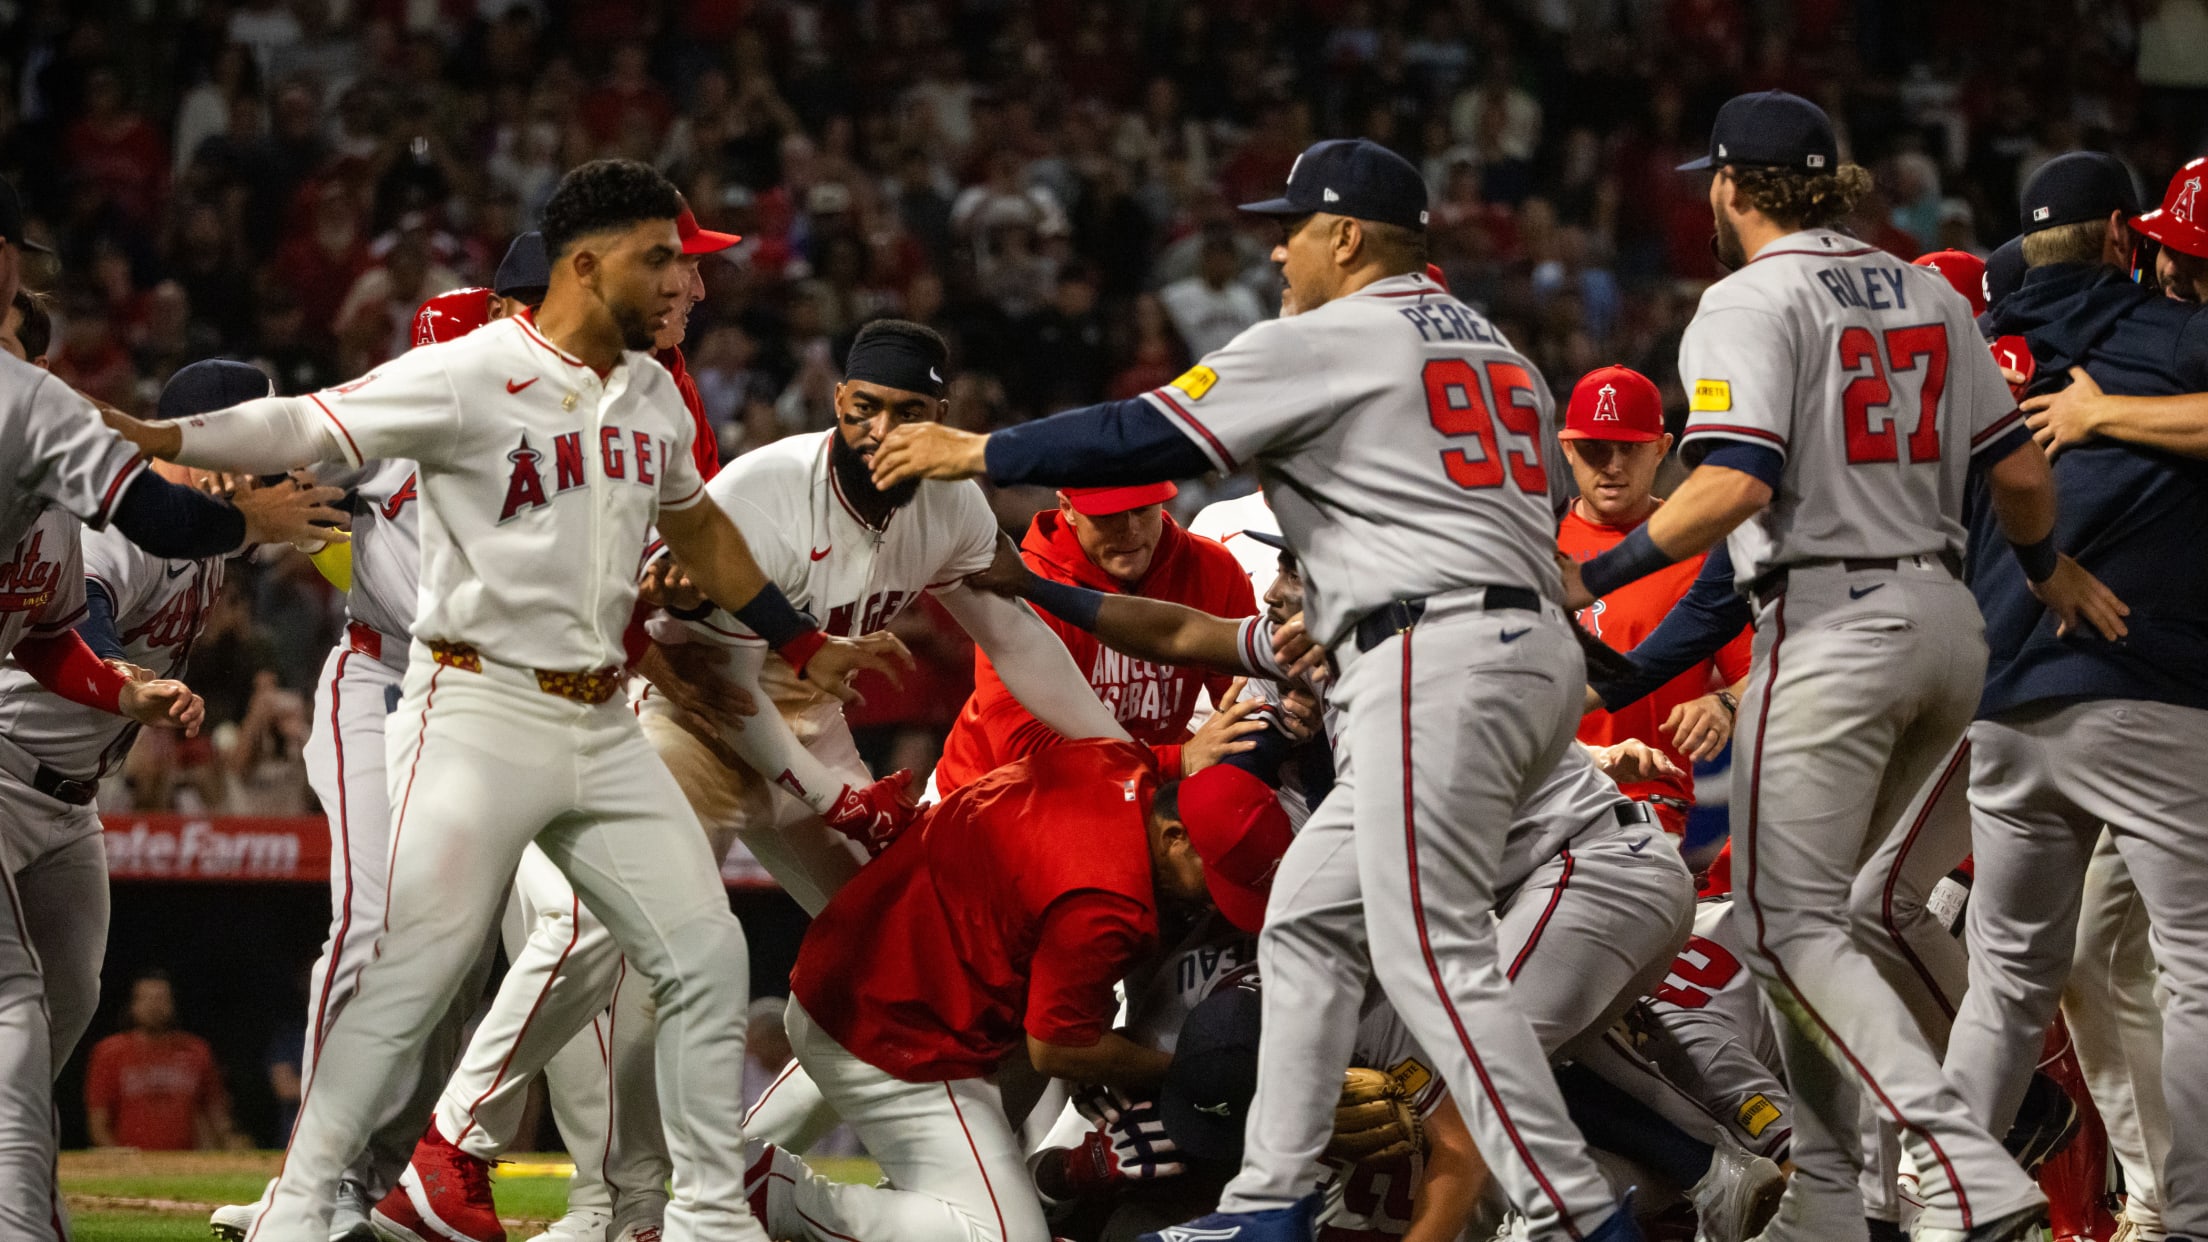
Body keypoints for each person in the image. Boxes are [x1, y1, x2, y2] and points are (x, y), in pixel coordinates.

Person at [100, 158, 905, 1242]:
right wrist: (155, 443)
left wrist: (800, 637)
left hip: (598, 719)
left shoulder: (656, 390)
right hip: (472, 705)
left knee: (706, 952)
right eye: (660, 258)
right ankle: (304, 1203)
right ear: (587, 265)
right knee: (412, 967)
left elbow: (702, 529)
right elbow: (305, 426)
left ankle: (709, 1219)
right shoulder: (468, 369)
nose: (688, 284)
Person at [874, 137, 1643, 1242]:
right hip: (1511, 650)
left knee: (1430, 954)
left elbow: (1141, 431)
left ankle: (1575, 1214)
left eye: (1291, 228)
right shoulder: (1502, 353)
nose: (1277, 250)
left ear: (1345, 237)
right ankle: (1268, 1203)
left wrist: (974, 451)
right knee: (1308, 923)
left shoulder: (1334, 335)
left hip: (1431, 655)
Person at [387, 319, 1132, 1242]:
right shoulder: (766, 491)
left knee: (901, 951)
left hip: (810, 734)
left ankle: (832, 1169)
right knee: (596, 926)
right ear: (839, 403)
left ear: (943, 415)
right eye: (867, 409)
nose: (883, 430)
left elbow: (1016, 636)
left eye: (908, 412)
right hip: (692, 725)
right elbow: (715, 683)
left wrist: (1119, 759)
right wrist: (832, 798)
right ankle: (452, 1145)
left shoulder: (950, 503)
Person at [1560, 93, 2120, 1242]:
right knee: (1826, 931)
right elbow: (2021, 476)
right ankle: (1841, 1201)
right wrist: (2047, 567)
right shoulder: (1924, 288)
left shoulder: (1742, 300)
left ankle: (1974, 1160)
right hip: (1947, 625)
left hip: (1830, 629)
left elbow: (1734, 487)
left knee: (1787, 926)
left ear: (1730, 184)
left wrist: (1588, 579)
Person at [1943, 151, 2208, 1242]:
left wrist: (2098, 419)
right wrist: (2109, 418)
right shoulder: (2175, 338)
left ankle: (1940, 1204)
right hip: (2151, 695)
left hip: (2003, 699)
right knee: (2194, 972)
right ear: (2118, 239)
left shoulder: (1978, 350)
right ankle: (2186, 1213)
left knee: (2011, 978)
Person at [743, 737, 1243, 1242]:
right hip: (901, 1023)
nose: (1218, 897)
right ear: (1175, 837)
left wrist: (1181, 755)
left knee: (949, 1201)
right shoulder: (1111, 901)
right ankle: (775, 1190)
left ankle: (736, 1170)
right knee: (1001, 1237)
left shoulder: (1114, 761)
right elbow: (1058, 1048)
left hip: (871, 970)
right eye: (1218, 874)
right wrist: (1180, 1071)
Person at [930, 480, 1260, 795]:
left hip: (1136, 784)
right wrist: (1175, 760)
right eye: (1107, 516)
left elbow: (1249, 694)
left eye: (1143, 510)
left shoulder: (1210, 567)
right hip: (989, 793)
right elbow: (1023, 750)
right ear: (1067, 508)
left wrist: (1278, 712)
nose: (1129, 530)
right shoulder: (1024, 585)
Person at [1558, 364, 1750, 838]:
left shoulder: (1702, 554)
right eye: (1595, 448)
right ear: (1567, 447)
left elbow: (1765, 673)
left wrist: (1725, 702)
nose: (1613, 465)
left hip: (1649, 810)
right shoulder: (1527, 547)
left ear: (1663, 449)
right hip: (1537, 796)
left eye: (1630, 448)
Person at [83, 971, 239, 1151]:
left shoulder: (196, 1050)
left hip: (186, 1164)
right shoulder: (109, 1052)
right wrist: (121, 1161)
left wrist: (228, 1143)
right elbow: (98, 1121)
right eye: (146, 998)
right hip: (130, 1166)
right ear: (132, 1005)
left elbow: (215, 1111)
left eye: (160, 998)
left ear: (172, 1003)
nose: (154, 1006)